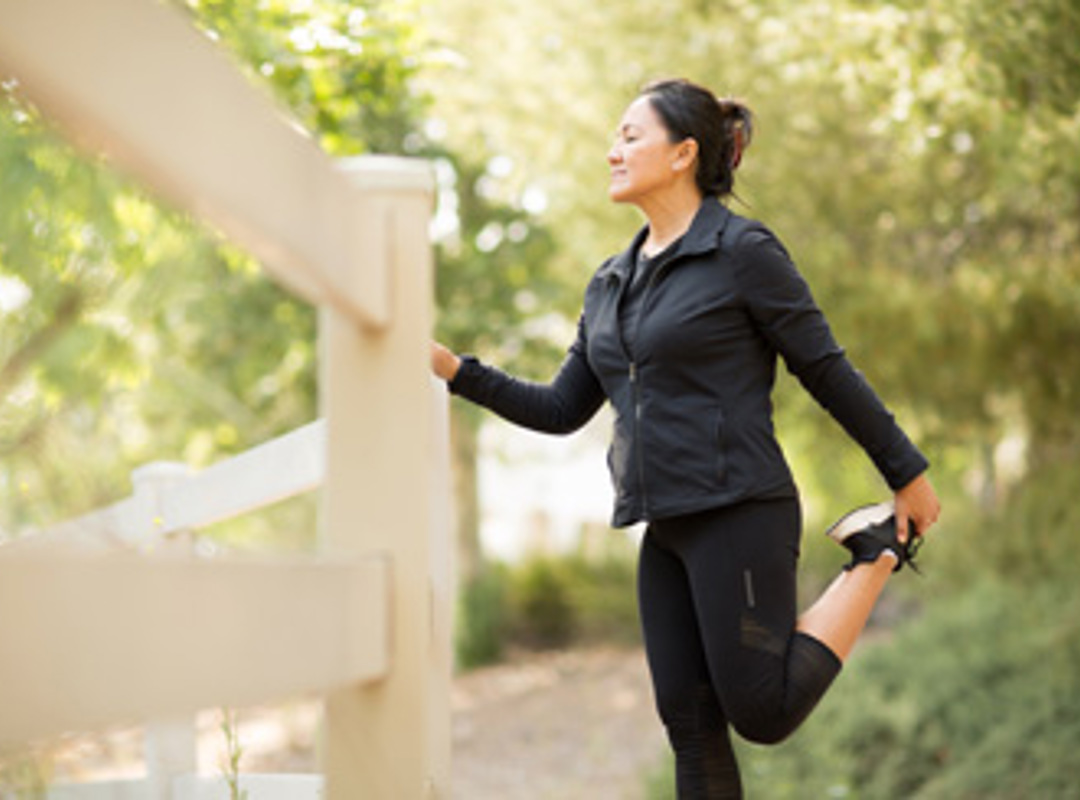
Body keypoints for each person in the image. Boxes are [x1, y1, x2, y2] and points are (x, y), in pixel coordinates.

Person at [431, 78, 941, 798]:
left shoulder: (741, 251)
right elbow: (560, 408)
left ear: (684, 154)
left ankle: (876, 552)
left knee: (760, 712)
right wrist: (452, 370)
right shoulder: (610, 283)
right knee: (692, 731)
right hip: (664, 528)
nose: (612, 151)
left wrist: (906, 470)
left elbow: (823, 367)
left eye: (630, 136)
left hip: (740, 509)